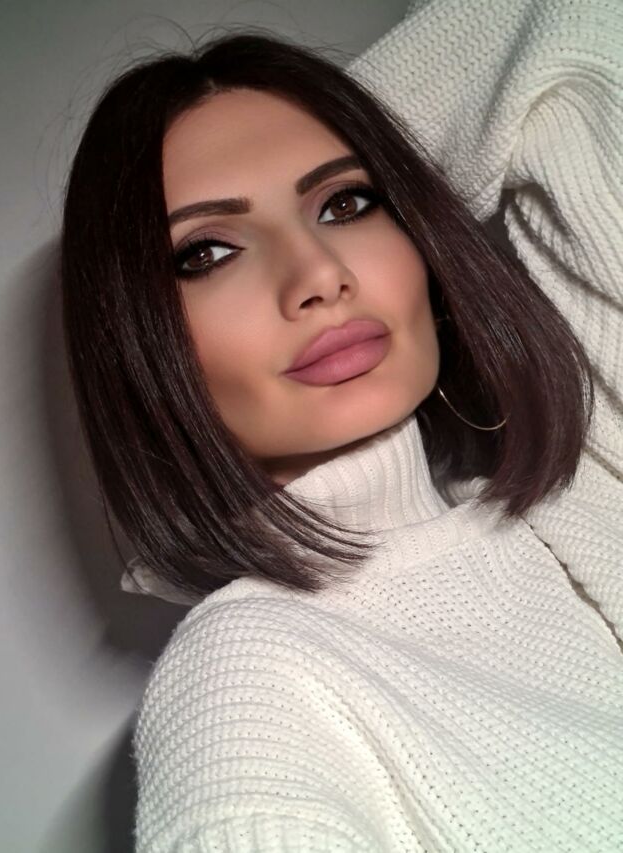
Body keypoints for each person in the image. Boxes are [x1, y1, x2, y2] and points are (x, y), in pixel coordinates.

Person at [60, 0, 623, 849]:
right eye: (206, 252)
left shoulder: (585, 487)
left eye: (346, 203)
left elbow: (570, 27)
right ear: (136, 337)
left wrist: (370, 139)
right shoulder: (245, 671)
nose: (318, 276)